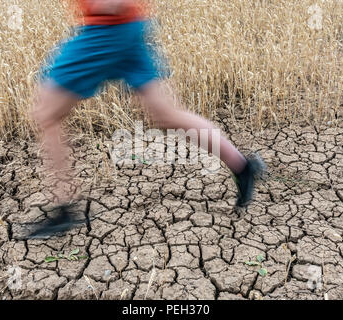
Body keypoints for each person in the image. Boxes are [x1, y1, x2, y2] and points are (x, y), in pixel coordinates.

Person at [28, 0, 266, 238]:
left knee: (47, 114)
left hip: (106, 31)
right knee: (166, 115)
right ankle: (242, 166)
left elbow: (111, 4)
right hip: (126, 27)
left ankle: (63, 209)